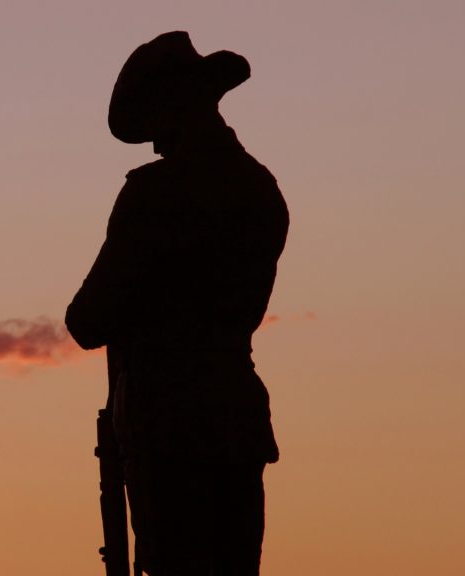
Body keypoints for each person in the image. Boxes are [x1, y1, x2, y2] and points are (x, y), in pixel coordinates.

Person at [65, 31, 288, 576]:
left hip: (168, 431)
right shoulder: (260, 187)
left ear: (174, 108)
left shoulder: (155, 193)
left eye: (155, 124)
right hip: (235, 419)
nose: (155, 143)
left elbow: (86, 319)